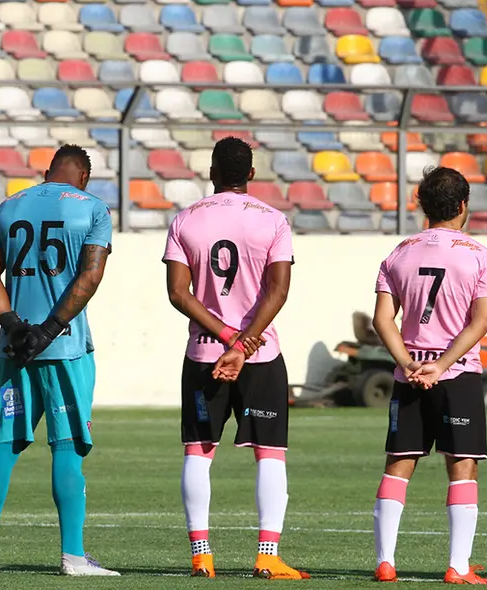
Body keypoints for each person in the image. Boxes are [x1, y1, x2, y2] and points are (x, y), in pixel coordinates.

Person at [163, 137, 307, 580]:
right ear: (251, 174)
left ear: (211, 172)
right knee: (269, 454)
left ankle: (201, 555)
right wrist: (243, 344)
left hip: (204, 353)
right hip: (260, 356)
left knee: (198, 452)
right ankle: (267, 555)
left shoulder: (185, 220)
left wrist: (225, 336)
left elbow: (177, 293)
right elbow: (278, 291)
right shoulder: (273, 220)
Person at [0, 145, 117, 577]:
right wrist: (50, 330)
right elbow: (90, 275)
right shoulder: (92, 209)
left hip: (15, 348)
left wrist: (15, 326)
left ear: (46, 172)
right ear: (84, 178)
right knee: (67, 449)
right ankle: (73, 556)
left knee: (4, 444)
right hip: (64, 348)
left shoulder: (7, 207)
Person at [370, 167, 487, 585]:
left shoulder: (399, 252)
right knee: (462, 464)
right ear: (463, 205)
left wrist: (409, 362)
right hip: (456, 375)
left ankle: (385, 562)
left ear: (421, 204)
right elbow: (480, 323)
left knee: (398, 464)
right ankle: (458, 567)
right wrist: (441, 366)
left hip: (408, 376)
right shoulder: (480, 255)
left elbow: (382, 320)